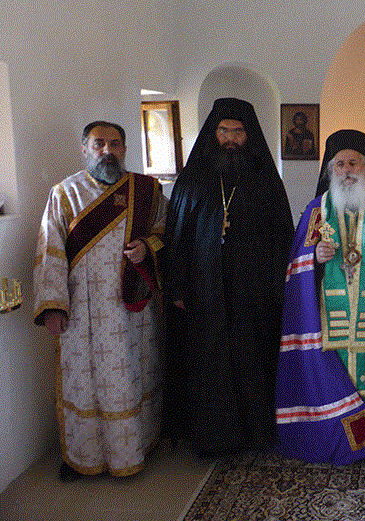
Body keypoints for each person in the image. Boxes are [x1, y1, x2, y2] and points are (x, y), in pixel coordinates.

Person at [275, 129, 365, 465]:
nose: (347, 170)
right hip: (331, 319)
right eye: (339, 164)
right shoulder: (317, 210)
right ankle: (345, 442)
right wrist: (314, 257)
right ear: (330, 170)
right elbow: (295, 264)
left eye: (354, 162)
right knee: (338, 373)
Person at [33, 121, 168, 480]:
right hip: (81, 311)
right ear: (85, 149)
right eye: (99, 144)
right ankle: (84, 455)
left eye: (115, 143)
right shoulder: (64, 194)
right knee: (84, 382)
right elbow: (50, 250)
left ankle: (136, 446)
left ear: (124, 148)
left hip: (131, 308)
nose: (108, 150)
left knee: (131, 377)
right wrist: (53, 305)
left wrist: (147, 247)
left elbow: (166, 231)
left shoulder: (147, 190)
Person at [162, 97, 294, 456]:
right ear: (213, 132)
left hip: (255, 290)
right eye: (223, 130)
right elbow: (177, 238)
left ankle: (256, 433)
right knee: (209, 359)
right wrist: (178, 286)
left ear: (249, 135)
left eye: (237, 131)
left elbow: (282, 236)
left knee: (253, 357)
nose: (230, 138)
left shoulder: (266, 179)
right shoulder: (192, 177)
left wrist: (280, 286)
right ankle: (213, 437)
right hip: (204, 289)